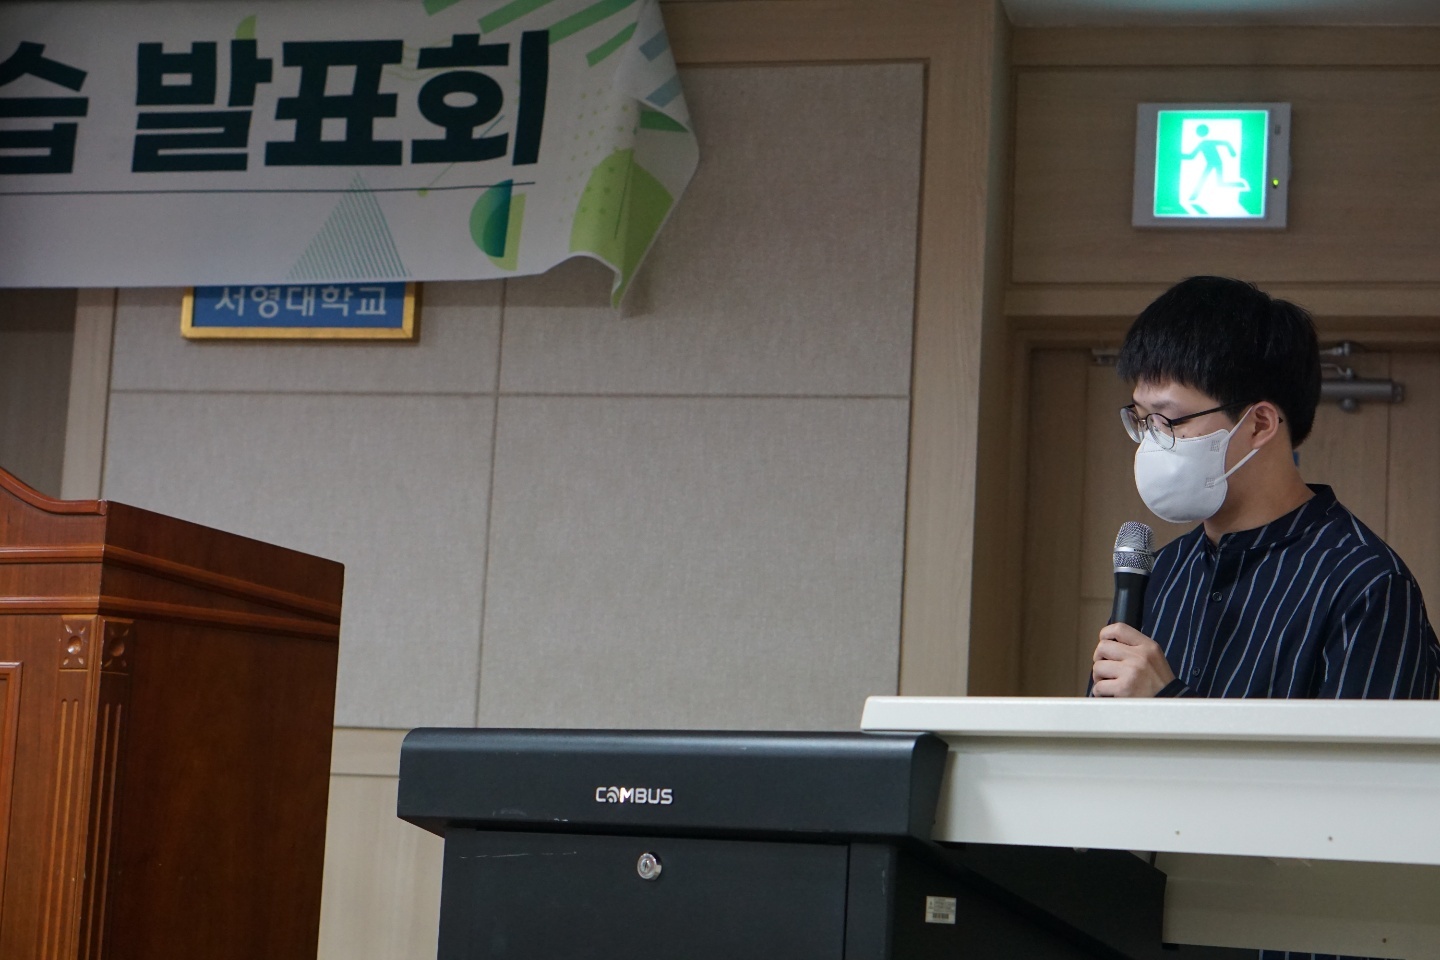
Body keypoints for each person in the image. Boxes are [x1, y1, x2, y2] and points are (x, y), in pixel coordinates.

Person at [1091, 275, 1440, 701]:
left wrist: (1168, 701)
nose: (1151, 440)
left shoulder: (1366, 584)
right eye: (1142, 419)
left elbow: (1367, 748)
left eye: (1169, 420)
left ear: (1259, 424)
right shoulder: (1160, 573)